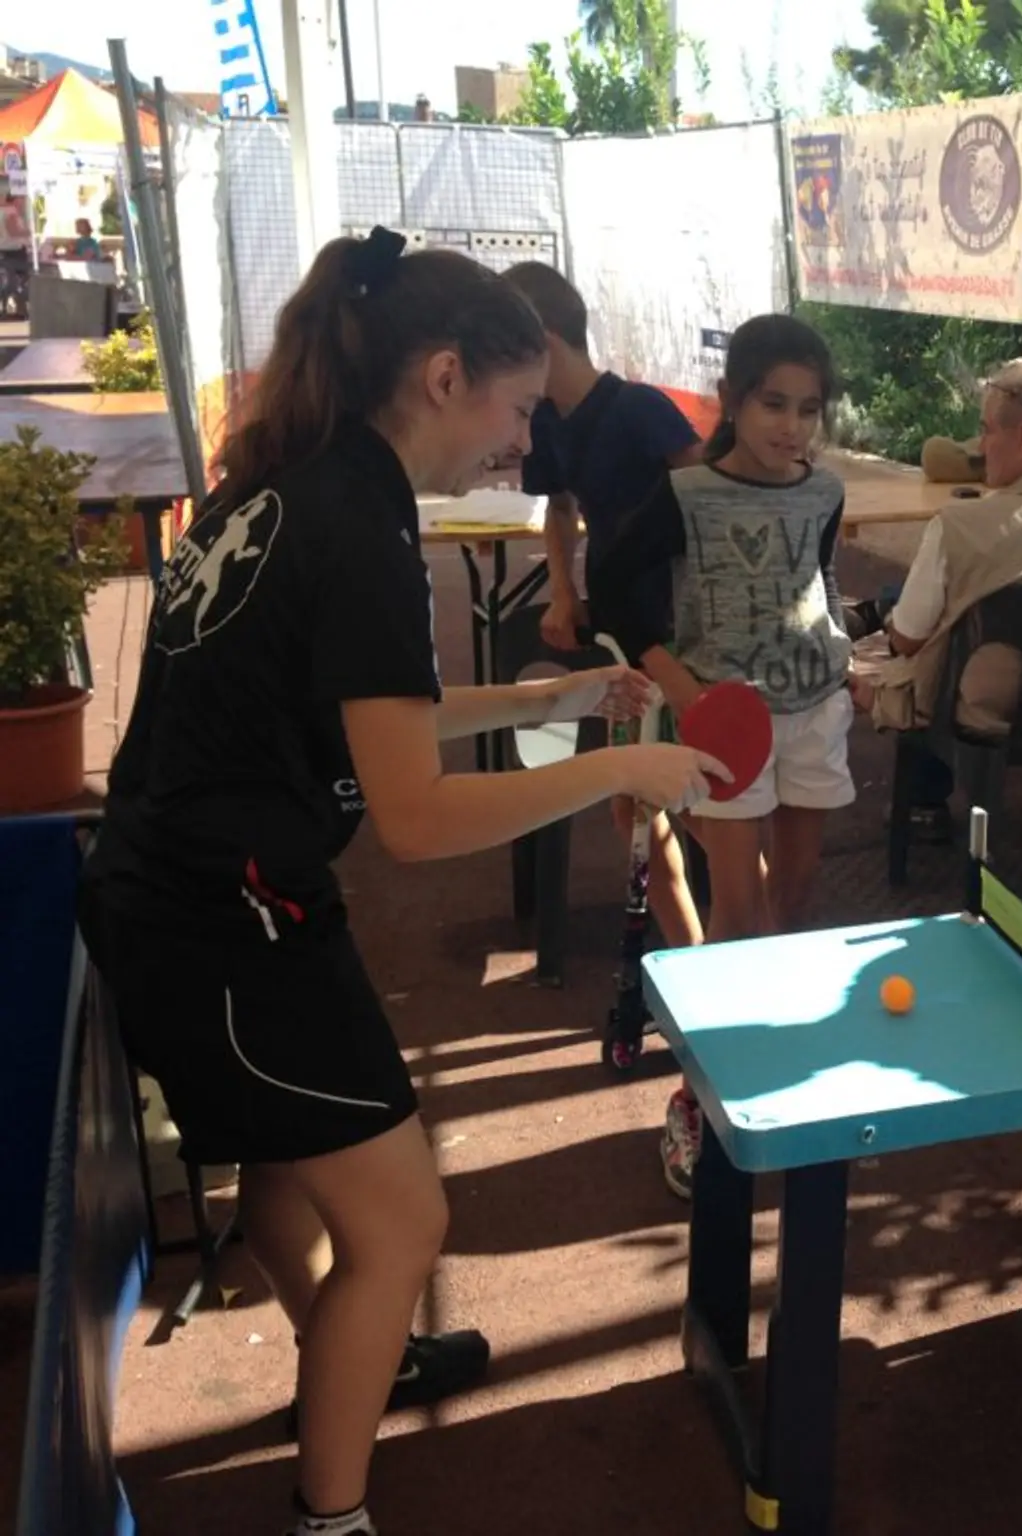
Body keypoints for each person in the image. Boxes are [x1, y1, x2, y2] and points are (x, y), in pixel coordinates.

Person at [75, 228, 729, 1536]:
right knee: (406, 1224)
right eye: (515, 409)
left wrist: (535, 698)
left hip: (175, 901)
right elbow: (422, 822)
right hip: (230, 922)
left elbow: (374, 711)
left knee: (289, 1167)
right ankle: (333, 1516)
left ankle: (346, 1353)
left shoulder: (292, 484)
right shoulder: (360, 526)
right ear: (443, 375)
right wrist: (617, 776)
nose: (522, 443)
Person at [590, 313, 853, 1196]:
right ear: (732, 401)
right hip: (724, 721)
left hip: (815, 707)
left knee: (799, 890)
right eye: (773, 403)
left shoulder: (826, 491)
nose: (792, 425)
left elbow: (812, 577)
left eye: (808, 409)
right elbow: (614, 589)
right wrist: (685, 688)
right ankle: (706, 1092)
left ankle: (762, 1042)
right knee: (736, 909)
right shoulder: (683, 496)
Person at [500, 260, 707, 951]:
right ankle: (698, 956)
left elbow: (712, 496)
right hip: (624, 635)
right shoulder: (549, 424)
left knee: (703, 808)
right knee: (636, 810)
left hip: (680, 635)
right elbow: (559, 509)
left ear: (546, 341)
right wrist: (563, 591)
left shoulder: (642, 410)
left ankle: (743, 947)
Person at [851, 355, 1022, 783]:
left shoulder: (958, 528)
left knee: (925, 644)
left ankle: (924, 805)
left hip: (979, 711)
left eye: (987, 430)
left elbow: (909, 640)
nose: (981, 446)